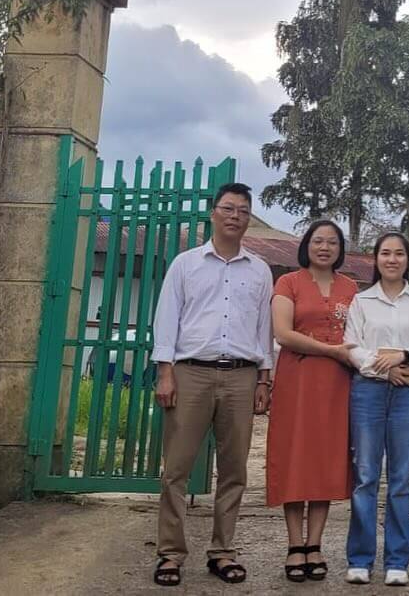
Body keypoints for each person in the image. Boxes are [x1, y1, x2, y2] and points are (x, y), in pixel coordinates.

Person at [150, 183, 273, 588]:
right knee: (176, 468)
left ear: (249, 218)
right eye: (228, 208)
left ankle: (222, 551)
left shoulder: (259, 270)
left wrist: (264, 378)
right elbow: (167, 318)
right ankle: (170, 553)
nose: (235, 216)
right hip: (191, 373)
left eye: (243, 211)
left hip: (241, 375)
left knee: (234, 469)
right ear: (213, 213)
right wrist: (165, 372)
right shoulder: (186, 264)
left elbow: (264, 327)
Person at [343, 232, 409, 587]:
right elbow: (352, 348)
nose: (392, 259)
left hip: (408, 396)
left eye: (399, 254)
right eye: (385, 253)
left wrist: (404, 355)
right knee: (365, 476)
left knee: (401, 480)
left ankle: (397, 560)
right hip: (368, 393)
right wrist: (386, 368)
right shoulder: (361, 301)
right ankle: (360, 558)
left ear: (407, 260)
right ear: (376, 259)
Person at [266, 220, 360, 582]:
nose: (324, 247)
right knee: (295, 458)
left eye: (332, 242)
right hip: (297, 381)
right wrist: (331, 350)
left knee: (325, 460)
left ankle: (315, 544)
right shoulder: (288, 283)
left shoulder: (351, 287)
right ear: (306, 245)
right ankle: (294, 545)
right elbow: (283, 333)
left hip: (337, 385)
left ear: (340, 249)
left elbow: (360, 334)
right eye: (318, 241)